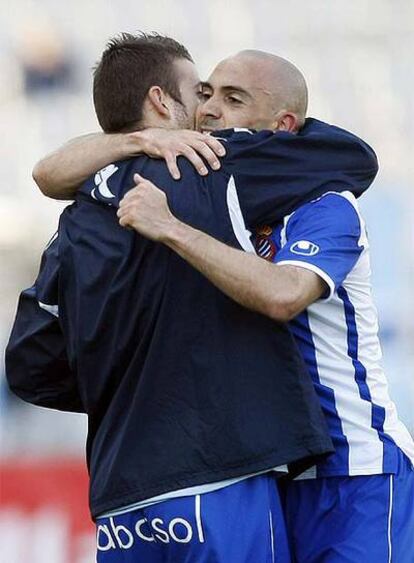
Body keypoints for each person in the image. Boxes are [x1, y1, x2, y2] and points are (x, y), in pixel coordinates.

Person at [31, 46, 414, 562]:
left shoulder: (324, 203)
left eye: (232, 99)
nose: (209, 110)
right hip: (275, 465)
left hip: (355, 469)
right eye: (206, 93)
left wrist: (170, 228)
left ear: (280, 126)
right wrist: (138, 140)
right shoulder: (216, 199)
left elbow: (283, 294)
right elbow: (48, 173)